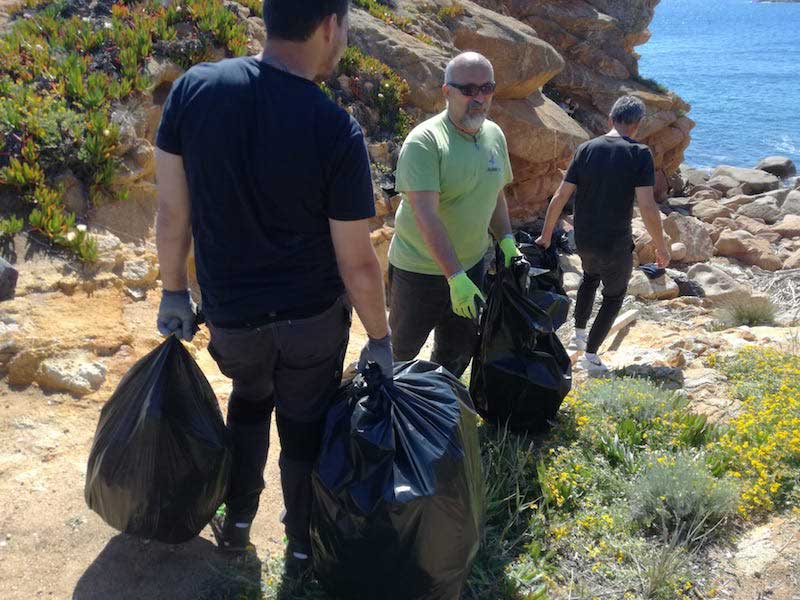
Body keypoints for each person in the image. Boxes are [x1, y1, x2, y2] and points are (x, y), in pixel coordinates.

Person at [154, 0, 392, 574]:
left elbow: (170, 213)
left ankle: (237, 521)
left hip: (233, 318)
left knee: (249, 401)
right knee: (304, 423)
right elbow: (357, 262)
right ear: (330, 26)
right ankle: (302, 542)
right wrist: (380, 338)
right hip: (311, 320)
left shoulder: (194, 91)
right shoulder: (335, 127)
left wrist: (172, 292)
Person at [387, 51, 522, 378]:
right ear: (446, 92)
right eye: (468, 89)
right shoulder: (426, 141)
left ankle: (438, 415)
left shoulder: (494, 134)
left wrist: (506, 240)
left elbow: (495, 194)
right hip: (419, 271)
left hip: (472, 267)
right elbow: (425, 215)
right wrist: (454, 277)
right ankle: (382, 416)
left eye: (486, 88)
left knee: (456, 353)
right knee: (399, 354)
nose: (479, 98)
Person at [536, 95, 670, 374]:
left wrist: (546, 235)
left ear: (611, 119)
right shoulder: (640, 153)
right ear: (637, 125)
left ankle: (580, 335)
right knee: (613, 295)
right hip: (615, 242)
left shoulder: (585, 148)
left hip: (583, 239)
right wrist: (661, 246)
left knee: (589, 278)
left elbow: (561, 195)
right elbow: (646, 205)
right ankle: (592, 356)